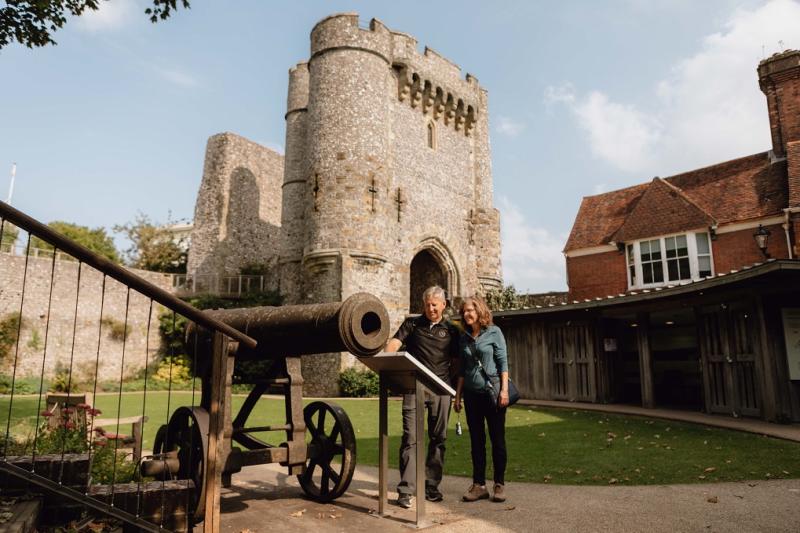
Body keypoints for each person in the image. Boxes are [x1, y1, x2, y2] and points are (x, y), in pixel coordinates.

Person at [385, 285, 458, 509]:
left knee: (438, 440)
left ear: (443, 305)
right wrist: (389, 358)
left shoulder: (452, 330)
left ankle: (431, 486)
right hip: (413, 388)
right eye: (427, 304)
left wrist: (455, 390)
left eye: (434, 305)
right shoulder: (412, 323)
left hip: (441, 390)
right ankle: (406, 489)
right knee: (410, 438)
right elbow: (394, 344)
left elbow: (457, 361)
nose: (430, 308)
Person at [453, 295, 509, 503]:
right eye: (464, 311)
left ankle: (499, 484)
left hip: (492, 394)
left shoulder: (494, 332)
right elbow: (462, 370)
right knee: (476, 442)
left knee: (497, 440)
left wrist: (503, 391)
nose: (467, 314)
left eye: (470, 310)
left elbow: (503, 364)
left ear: (479, 311)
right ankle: (479, 485)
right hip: (471, 395)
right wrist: (457, 396)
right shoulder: (464, 337)